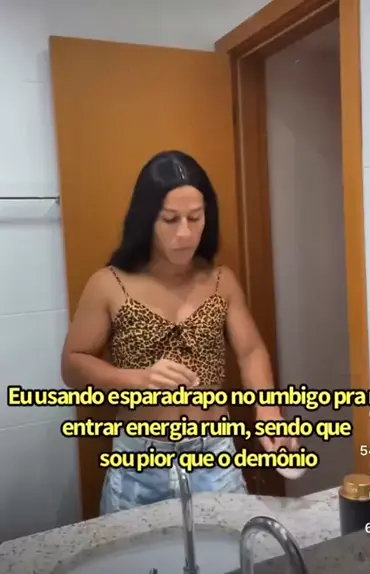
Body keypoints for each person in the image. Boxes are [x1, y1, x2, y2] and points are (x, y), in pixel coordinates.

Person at [61, 150, 298, 515]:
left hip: (214, 458)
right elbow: (73, 365)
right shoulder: (109, 283)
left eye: (195, 218)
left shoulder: (221, 282)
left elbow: (251, 351)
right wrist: (138, 379)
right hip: (139, 465)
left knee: (231, 547)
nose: (184, 233)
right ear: (147, 219)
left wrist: (268, 410)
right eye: (170, 219)